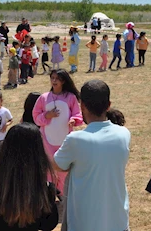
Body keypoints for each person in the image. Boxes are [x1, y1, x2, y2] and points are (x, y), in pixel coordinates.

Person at [54, 80, 131, 231]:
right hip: (118, 222)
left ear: (82, 105)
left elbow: (58, 165)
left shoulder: (75, 139)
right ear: (108, 105)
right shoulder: (124, 134)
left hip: (83, 223)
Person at [32, 70, 83, 191]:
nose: (54, 81)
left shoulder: (70, 98)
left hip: (65, 139)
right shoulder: (44, 98)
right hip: (47, 140)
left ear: (63, 81)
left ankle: (63, 193)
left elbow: (77, 114)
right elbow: (36, 116)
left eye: (57, 79)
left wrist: (73, 120)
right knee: (49, 166)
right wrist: (46, 116)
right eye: (52, 78)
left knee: (64, 166)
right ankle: (49, 192)